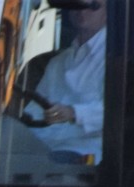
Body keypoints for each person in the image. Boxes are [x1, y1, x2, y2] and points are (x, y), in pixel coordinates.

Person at [30, 0, 106, 163]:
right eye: (76, 5)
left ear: (108, 13)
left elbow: (120, 112)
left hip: (87, 156)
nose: (82, 11)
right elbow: (33, 113)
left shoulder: (118, 60)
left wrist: (74, 113)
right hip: (44, 149)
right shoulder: (56, 63)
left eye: (93, 6)